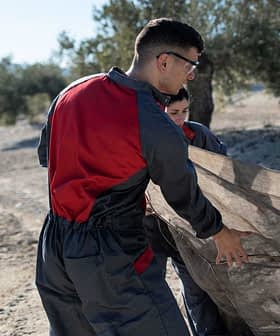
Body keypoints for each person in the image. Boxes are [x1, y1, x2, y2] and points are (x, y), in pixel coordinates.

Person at [35, 18, 249, 336]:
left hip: (54, 247)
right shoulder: (153, 122)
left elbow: (46, 156)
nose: (191, 74)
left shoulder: (71, 92)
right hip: (111, 253)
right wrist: (219, 232)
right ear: (164, 61)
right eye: (190, 64)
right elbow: (183, 194)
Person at [144, 86, 228, 336]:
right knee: (150, 293)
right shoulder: (144, 139)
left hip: (190, 227)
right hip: (148, 230)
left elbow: (224, 171)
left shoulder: (198, 135)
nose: (180, 119)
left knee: (197, 289)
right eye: (173, 113)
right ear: (159, 111)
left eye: (185, 111)